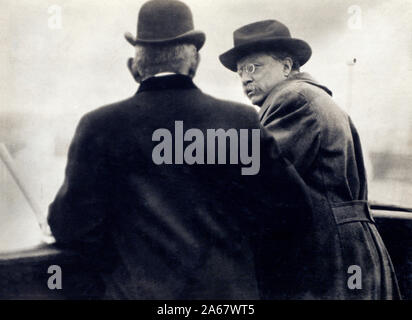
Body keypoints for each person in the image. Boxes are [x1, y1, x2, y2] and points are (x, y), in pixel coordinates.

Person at [48, 2, 310, 299]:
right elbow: (293, 214)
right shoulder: (241, 122)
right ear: (194, 63)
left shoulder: (99, 127)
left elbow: (71, 227)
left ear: (134, 68)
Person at [219, 19, 401, 299]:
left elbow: (257, 175)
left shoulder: (293, 99)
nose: (245, 77)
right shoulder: (311, 97)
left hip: (333, 255)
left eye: (254, 66)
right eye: (241, 70)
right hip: (349, 250)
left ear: (287, 66)